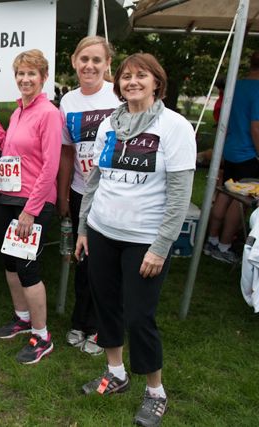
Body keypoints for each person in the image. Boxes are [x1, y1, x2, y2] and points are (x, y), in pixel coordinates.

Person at [75, 53, 196, 427]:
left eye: (141, 75)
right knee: (106, 305)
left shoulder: (174, 127)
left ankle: (155, 392)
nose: (132, 82)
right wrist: (83, 228)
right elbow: (95, 180)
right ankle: (116, 373)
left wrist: (161, 246)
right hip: (101, 231)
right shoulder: (108, 125)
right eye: (126, 76)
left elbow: (179, 194)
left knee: (140, 316)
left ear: (157, 82)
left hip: (145, 240)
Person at [0, 49, 62, 364]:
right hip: (8, 195)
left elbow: (50, 166)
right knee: (10, 263)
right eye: (21, 73)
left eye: (32, 73)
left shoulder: (48, 113)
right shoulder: (19, 111)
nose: (25, 79)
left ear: (43, 78)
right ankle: (22, 319)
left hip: (31, 201)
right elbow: (7, 147)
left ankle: (42, 336)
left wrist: (31, 209)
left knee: (28, 268)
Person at [56, 36, 121, 356]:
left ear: (108, 63)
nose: (90, 66)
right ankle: (80, 322)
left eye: (97, 60)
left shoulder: (119, 95)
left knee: (106, 264)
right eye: (84, 59)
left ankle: (100, 328)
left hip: (114, 194)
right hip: (82, 192)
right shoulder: (68, 101)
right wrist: (63, 194)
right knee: (83, 262)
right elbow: (67, 152)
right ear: (74, 62)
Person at [205, 51, 259, 264]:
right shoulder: (257, 89)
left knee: (225, 194)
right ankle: (224, 246)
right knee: (240, 202)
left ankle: (211, 240)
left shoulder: (235, 85)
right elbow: (256, 128)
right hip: (248, 154)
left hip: (230, 150)